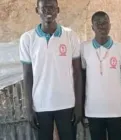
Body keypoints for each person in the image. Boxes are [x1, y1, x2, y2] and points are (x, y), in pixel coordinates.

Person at [19, 0, 82, 140]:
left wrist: (78, 105)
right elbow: (27, 75)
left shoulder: (70, 35)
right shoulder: (27, 39)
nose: (48, 11)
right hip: (40, 104)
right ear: (37, 10)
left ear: (58, 10)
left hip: (67, 103)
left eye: (52, 7)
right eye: (44, 8)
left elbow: (77, 73)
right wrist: (29, 108)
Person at [80, 11, 121, 140]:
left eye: (105, 23)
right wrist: (81, 106)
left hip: (116, 109)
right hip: (93, 109)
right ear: (92, 27)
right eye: (98, 23)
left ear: (110, 25)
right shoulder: (84, 48)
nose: (102, 26)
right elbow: (82, 79)